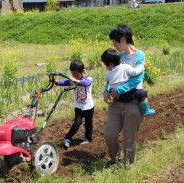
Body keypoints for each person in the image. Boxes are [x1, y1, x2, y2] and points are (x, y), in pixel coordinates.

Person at [103, 24, 148, 165]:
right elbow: (112, 74)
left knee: (129, 138)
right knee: (109, 134)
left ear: (123, 39)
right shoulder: (119, 57)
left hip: (132, 104)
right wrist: (107, 89)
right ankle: (115, 158)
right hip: (116, 103)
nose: (114, 45)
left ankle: (128, 165)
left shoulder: (139, 56)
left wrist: (119, 90)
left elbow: (137, 78)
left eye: (115, 42)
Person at [51, 59, 94, 148]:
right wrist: (56, 82)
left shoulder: (88, 78)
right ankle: (67, 138)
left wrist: (75, 80)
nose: (74, 76)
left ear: (83, 71)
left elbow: (86, 83)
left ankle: (88, 138)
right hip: (78, 106)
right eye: (73, 74)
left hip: (88, 106)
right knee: (77, 123)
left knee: (88, 123)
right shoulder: (73, 79)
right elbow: (65, 82)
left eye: (76, 74)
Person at [101, 48, 155, 116]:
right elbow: (135, 72)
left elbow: (106, 80)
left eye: (106, 65)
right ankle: (145, 110)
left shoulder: (108, 73)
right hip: (126, 94)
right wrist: (142, 66)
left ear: (111, 64)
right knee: (142, 93)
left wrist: (107, 90)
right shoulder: (125, 67)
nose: (106, 67)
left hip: (115, 95)